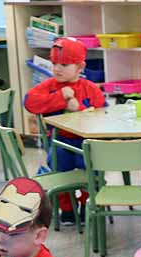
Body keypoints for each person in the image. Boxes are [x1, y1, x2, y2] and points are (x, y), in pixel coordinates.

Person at [24, 37, 106, 220]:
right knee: (59, 167)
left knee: (91, 169)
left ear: (80, 67)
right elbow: (29, 102)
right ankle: (68, 209)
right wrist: (60, 98)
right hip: (60, 140)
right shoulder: (49, 86)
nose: (57, 69)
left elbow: (103, 113)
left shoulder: (90, 88)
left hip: (87, 142)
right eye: (54, 63)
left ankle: (88, 204)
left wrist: (80, 109)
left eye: (64, 64)